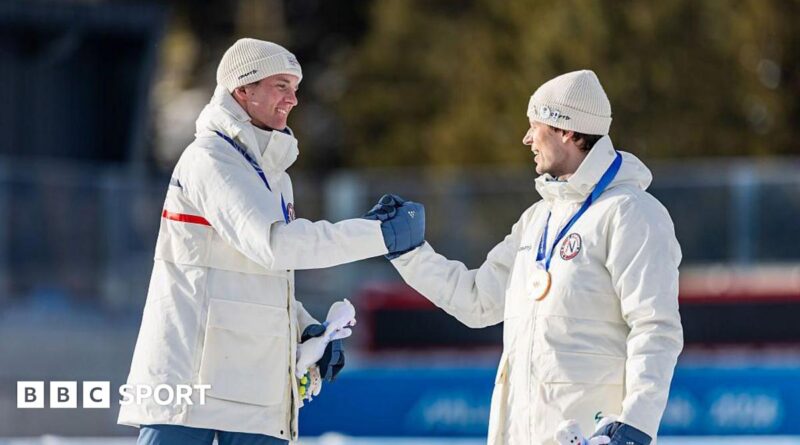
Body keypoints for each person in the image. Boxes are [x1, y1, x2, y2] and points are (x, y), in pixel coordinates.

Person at [118, 38, 423, 445]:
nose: (293, 99)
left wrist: (304, 329)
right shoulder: (210, 158)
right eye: (282, 86)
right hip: (191, 390)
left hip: (256, 396)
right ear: (243, 89)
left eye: (295, 88)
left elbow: (261, 274)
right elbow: (275, 245)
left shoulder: (275, 176)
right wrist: (379, 234)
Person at [377, 70, 683, 445]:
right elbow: (478, 301)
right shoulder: (538, 219)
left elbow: (655, 326)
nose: (526, 138)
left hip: (594, 436)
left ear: (567, 131)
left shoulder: (631, 213)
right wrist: (410, 254)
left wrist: (636, 424)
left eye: (534, 125)